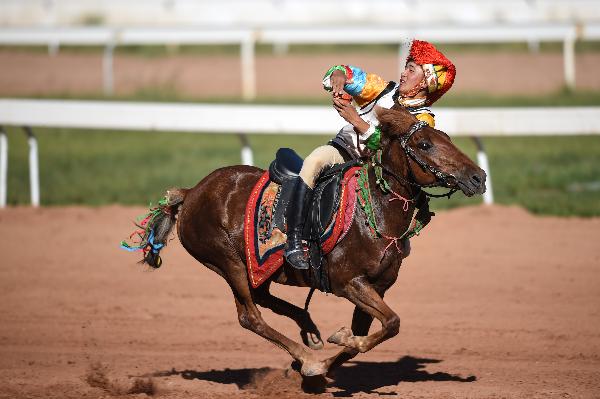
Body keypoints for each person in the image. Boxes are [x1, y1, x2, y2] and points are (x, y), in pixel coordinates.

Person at [285, 39, 456, 270]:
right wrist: (338, 76)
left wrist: (356, 120)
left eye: (411, 70)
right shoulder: (383, 89)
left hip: (378, 172)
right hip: (342, 152)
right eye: (406, 67)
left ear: (426, 81)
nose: (403, 74)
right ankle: (295, 241)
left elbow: (391, 149)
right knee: (314, 161)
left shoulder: (423, 122)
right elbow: (347, 74)